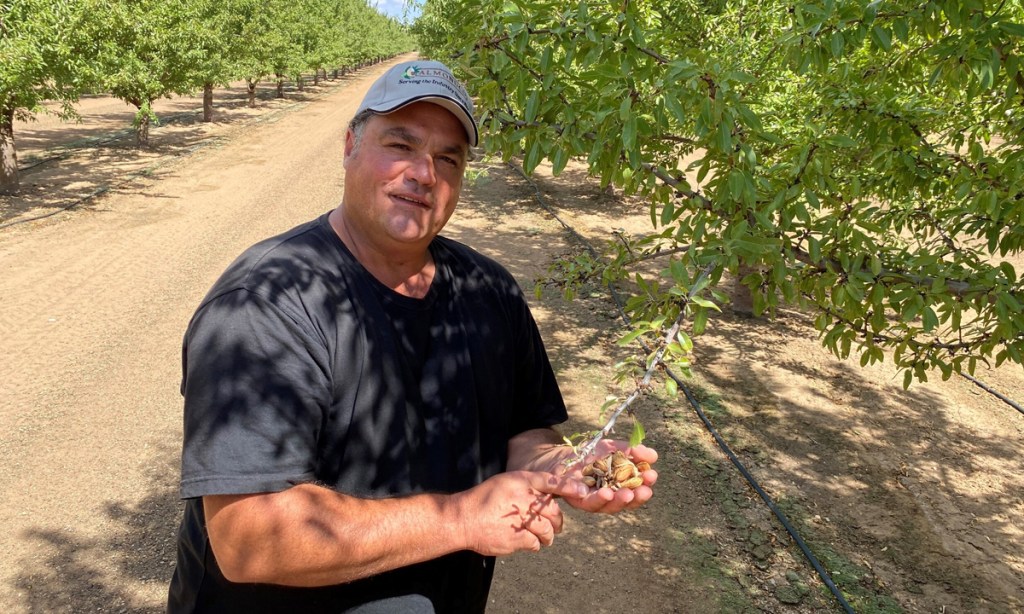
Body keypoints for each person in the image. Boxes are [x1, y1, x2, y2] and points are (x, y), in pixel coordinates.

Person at [167, 59, 657, 613]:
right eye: (401, 144)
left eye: (448, 158)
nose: (425, 173)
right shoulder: (268, 305)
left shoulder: (488, 290)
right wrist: (461, 518)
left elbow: (523, 428)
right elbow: (249, 538)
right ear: (350, 145)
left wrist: (558, 466)